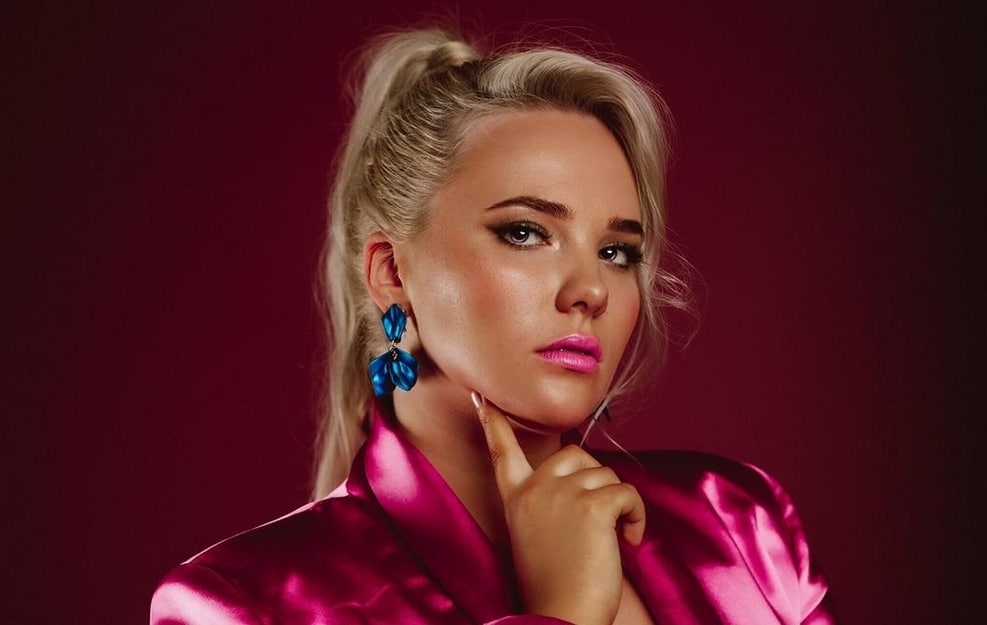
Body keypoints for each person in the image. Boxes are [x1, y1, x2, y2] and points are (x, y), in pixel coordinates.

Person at [151, 28, 835, 625]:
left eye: (617, 251)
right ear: (391, 271)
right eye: (525, 232)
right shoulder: (241, 604)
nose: (591, 290)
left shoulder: (735, 522)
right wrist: (563, 613)